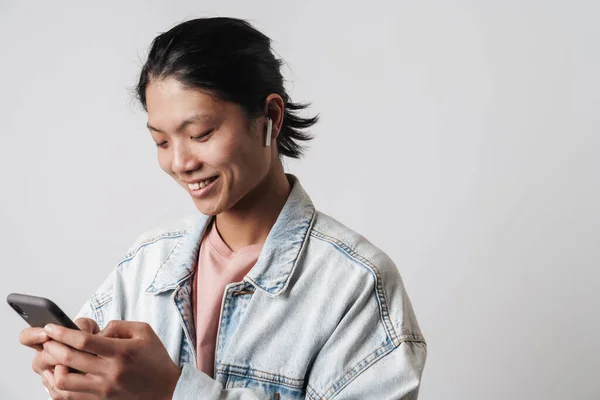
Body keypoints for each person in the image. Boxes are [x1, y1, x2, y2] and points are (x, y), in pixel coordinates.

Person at [19, 17, 427, 399]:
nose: (180, 162)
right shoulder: (146, 262)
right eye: (161, 142)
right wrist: (75, 374)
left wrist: (173, 391)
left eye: (200, 133)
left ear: (269, 116)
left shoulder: (353, 285)